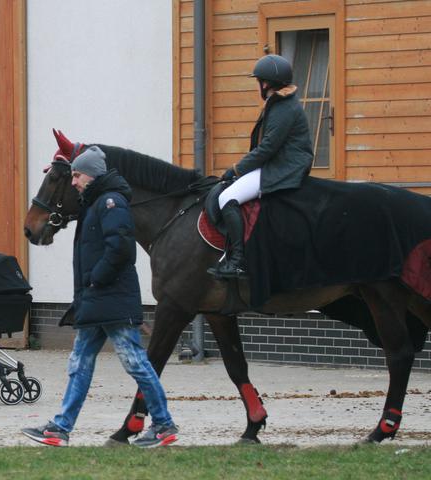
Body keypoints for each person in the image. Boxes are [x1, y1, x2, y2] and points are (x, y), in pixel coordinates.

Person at [22, 146, 179, 448]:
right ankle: (60, 428)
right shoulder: (95, 203)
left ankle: (163, 425)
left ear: (91, 175)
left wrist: (95, 279)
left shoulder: (111, 203)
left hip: (110, 299)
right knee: (79, 363)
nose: (74, 181)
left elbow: (121, 249)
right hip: (96, 299)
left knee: (135, 363)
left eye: (77, 175)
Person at [207, 54, 314, 278]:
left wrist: (236, 170)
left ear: (266, 83)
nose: (259, 85)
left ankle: (238, 261)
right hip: (278, 163)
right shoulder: (280, 102)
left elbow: (267, 148)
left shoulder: (283, 107)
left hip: (283, 168)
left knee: (227, 198)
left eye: (259, 81)